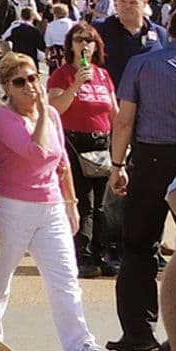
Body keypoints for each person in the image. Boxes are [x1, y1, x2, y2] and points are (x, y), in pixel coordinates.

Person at [0, 51, 113, 351]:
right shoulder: (1, 119)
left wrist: (71, 203)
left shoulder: (52, 115)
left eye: (32, 78)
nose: (29, 86)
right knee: (0, 281)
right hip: (13, 207)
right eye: (20, 82)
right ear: (6, 87)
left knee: (65, 279)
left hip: (51, 206)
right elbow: (37, 152)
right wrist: (42, 113)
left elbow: (61, 162)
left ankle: (81, 347)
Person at [108, 19, 176, 351]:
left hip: (152, 158)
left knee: (139, 245)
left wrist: (117, 164)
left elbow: (124, 120)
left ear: (169, 30)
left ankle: (138, 330)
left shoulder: (141, 64)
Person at [46, 20, 115, 274]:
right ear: (71, 45)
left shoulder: (103, 75)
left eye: (89, 40)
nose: (85, 44)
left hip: (102, 142)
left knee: (102, 204)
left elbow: (113, 111)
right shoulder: (62, 74)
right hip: (75, 142)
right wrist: (75, 84)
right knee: (83, 201)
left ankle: (101, 252)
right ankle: (82, 255)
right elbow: (54, 109)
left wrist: (122, 143)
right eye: (79, 40)